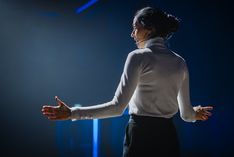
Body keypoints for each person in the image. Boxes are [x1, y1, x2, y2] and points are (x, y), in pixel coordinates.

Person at [42, 6, 213, 157]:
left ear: (149, 29)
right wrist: (195, 113)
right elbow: (186, 115)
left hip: (140, 136)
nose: (132, 34)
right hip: (168, 138)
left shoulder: (137, 57)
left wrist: (73, 113)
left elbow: (117, 108)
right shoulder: (180, 62)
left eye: (135, 28)